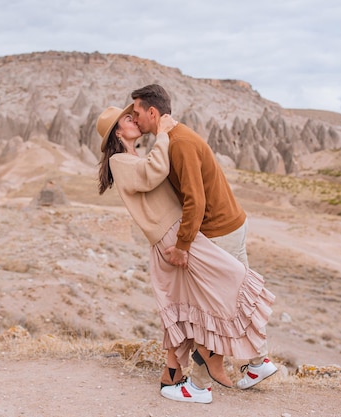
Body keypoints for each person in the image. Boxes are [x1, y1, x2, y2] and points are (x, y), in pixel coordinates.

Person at [96, 104, 275, 403]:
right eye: (128, 118)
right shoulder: (120, 161)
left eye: (134, 114)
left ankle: (217, 370)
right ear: (118, 131)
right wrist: (163, 135)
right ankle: (206, 381)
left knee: (205, 298)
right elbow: (154, 172)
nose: (134, 119)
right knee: (208, 296)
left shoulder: (131, 157)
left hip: (179, 234)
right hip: (171, 238)